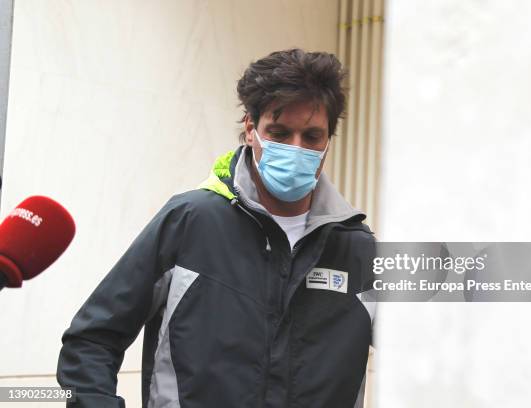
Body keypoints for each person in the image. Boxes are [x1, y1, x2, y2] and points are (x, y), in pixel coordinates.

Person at [57, 48, 376, 408]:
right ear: (250, 128)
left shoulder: (360, 249)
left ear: (328, 141)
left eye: (312, 137)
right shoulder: (189, 221)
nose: (296, 148)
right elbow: (91, 341)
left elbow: (438, 341)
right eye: (280, 133)